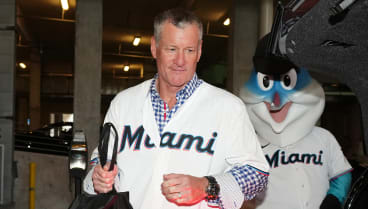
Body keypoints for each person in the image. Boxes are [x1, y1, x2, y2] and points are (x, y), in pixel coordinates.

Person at [83, 8, 269, 209]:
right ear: (154, 47)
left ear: (199, 51)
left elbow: (257, 175)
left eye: (189, 50)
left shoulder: (227, 107)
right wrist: (100, 175)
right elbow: (101, 159)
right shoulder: (124, 103)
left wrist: (206, 185)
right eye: (172, 49)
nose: (180, 61)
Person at [240, 34, 352, 209]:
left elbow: (341, 175)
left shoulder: (323, 137)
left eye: (286, 81)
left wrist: (334, 200)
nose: (276, 101)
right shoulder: (249, 144)